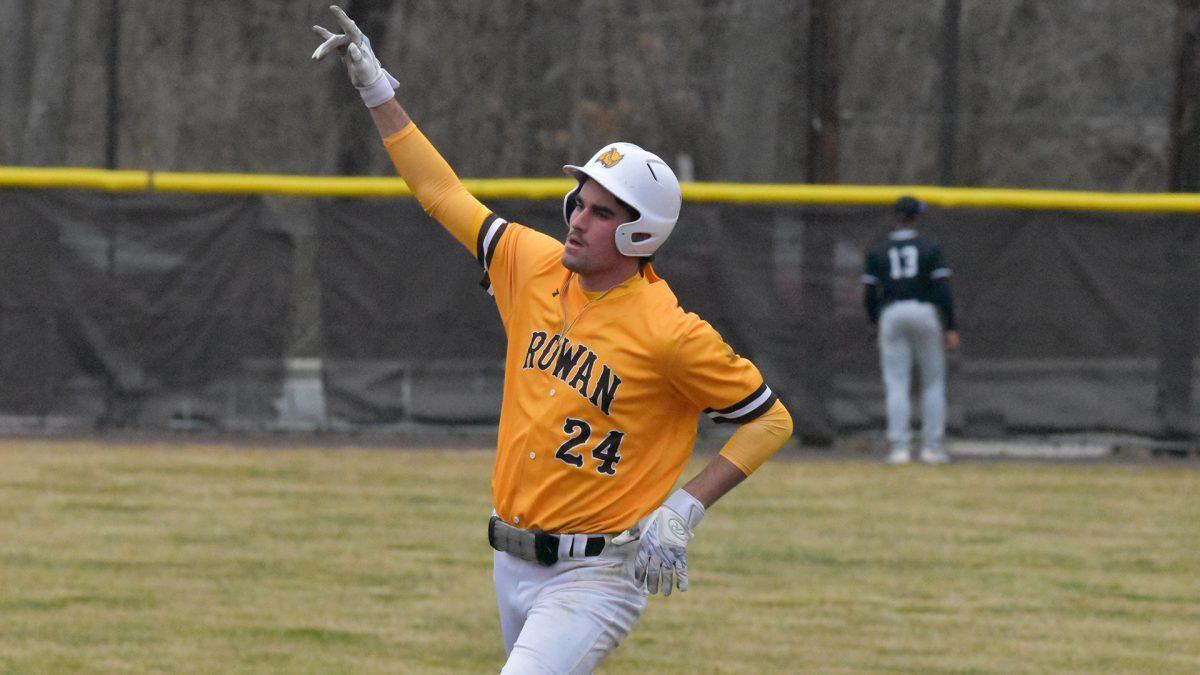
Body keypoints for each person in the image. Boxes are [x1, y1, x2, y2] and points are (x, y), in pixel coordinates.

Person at [312, 7, 794, 672]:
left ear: (639, 235)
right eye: (579, 201)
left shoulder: (669, 331)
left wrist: (685, 507)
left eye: (601, 212)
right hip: (509, 557)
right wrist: (377, 91)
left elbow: (769, 419)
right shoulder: (532, 264)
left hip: (597, 574)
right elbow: (440, 193)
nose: (577, 218)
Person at [862, 196, 959, 465]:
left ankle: (900, 448)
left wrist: (875, 321)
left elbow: (870, 293)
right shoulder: (929, 245)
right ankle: (931, 448)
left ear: (896, 217)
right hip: (924, 311)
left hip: (892, 313)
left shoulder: (879, 248)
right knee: (932, 383)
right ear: (916, 217)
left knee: (897, 384)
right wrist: (950, 325)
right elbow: (942, 289)